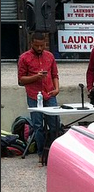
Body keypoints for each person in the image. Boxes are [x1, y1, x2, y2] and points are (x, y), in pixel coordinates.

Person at [17, 31, 61, 166]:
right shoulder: (24, 58)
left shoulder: (50, 56)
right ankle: (41, 153)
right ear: (31, 44)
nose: (40, 48)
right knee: (38, 126)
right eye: (37, 46)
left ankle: (54, 153)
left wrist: (57, 88)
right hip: (34, 95)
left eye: (42, 45)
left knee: (55, 124)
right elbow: (21, 80)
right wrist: (36, 77)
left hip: (50, 93)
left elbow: (55, 74)